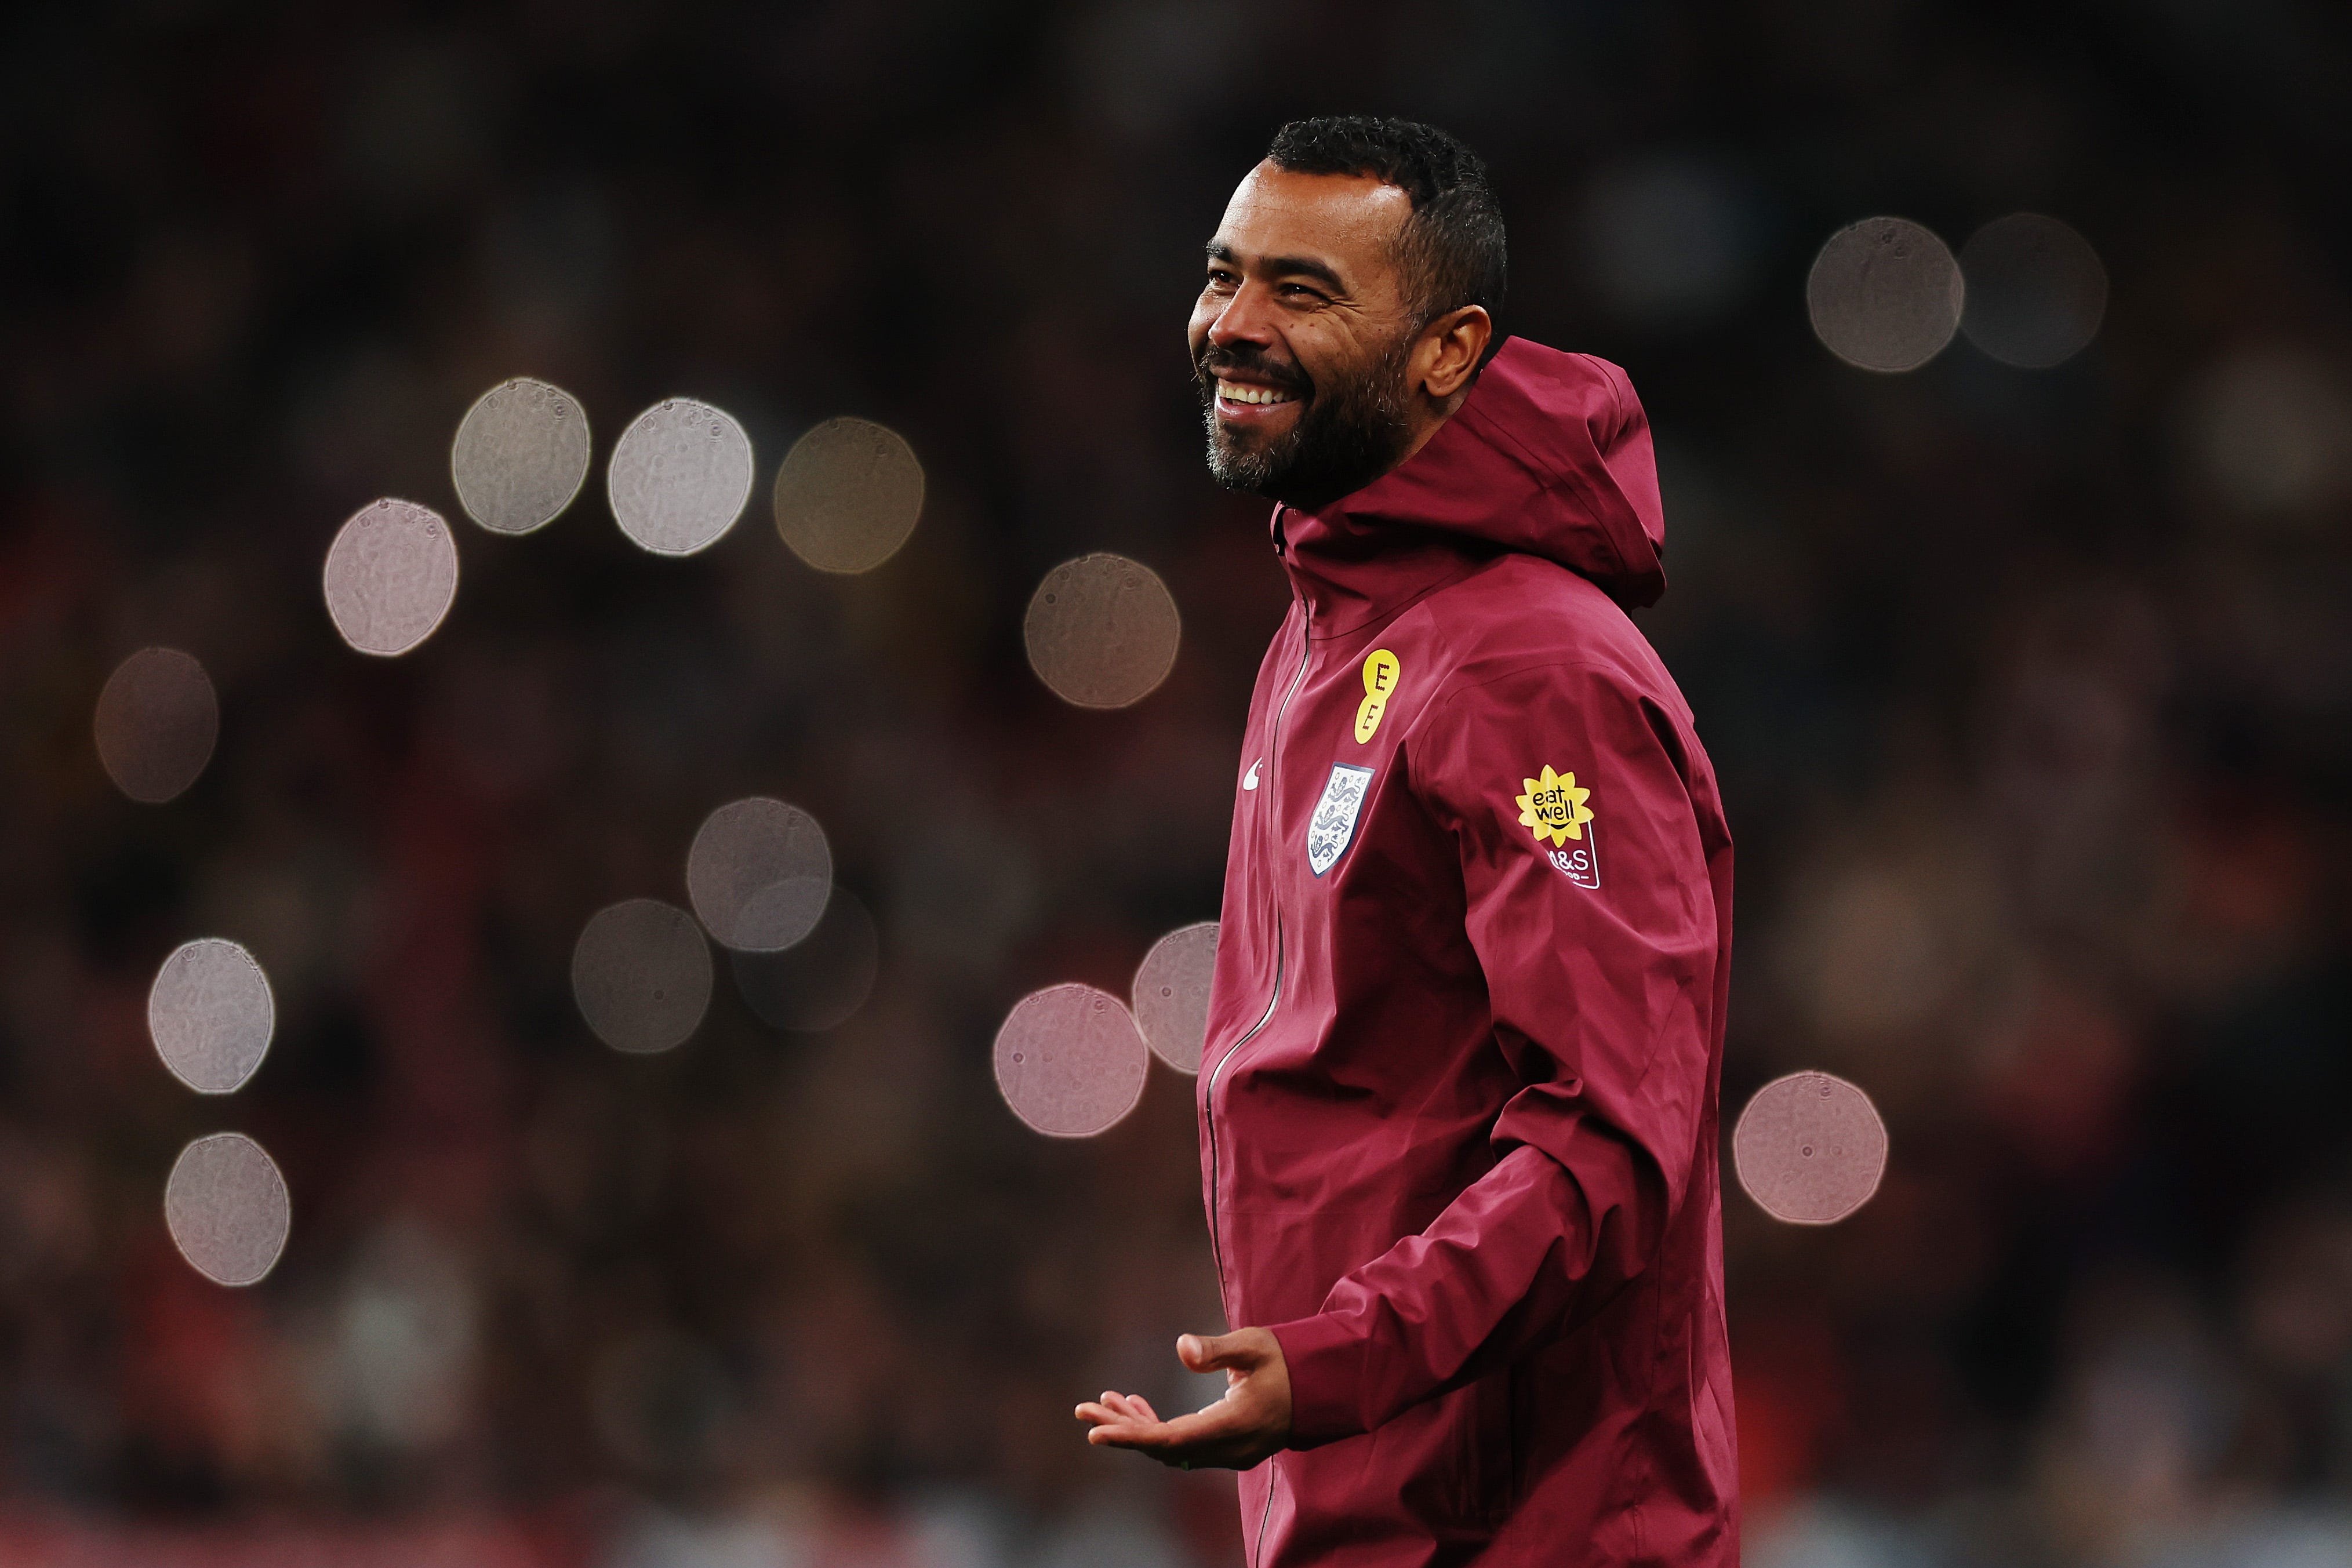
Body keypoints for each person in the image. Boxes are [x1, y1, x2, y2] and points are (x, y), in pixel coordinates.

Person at [1073, 117, 1738, 1566]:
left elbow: (1609, 1146)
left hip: (1528, 1538)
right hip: (1373, 1518)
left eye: (1301, 291)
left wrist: (1335, 1362)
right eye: (1223, 274)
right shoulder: (1327, 638)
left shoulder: (1532, 671)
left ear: (1448, 351)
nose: (1232, 326)